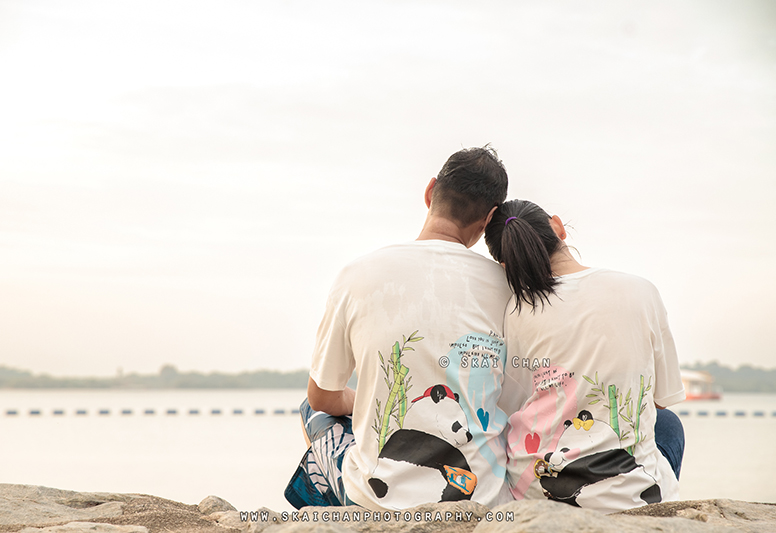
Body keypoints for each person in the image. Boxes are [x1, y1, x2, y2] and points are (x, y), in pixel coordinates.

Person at [284, 146, 530, 511]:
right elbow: (513, 402)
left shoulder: (357, 275)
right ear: (490, 218)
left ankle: (337, 517)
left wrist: (362, 401)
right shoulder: (509, 289)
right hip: (481, 499)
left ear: (430, 191)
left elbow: (322, 398)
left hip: (377, 502)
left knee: (312, 409)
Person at [483, 199, 685, 514]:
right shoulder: (641, 291)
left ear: (507, 264)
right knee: (668, 425)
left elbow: (514, 405)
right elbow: (661, 400)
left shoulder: (516, 311)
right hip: (628, 498)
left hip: (536, 492)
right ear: (558, 226)